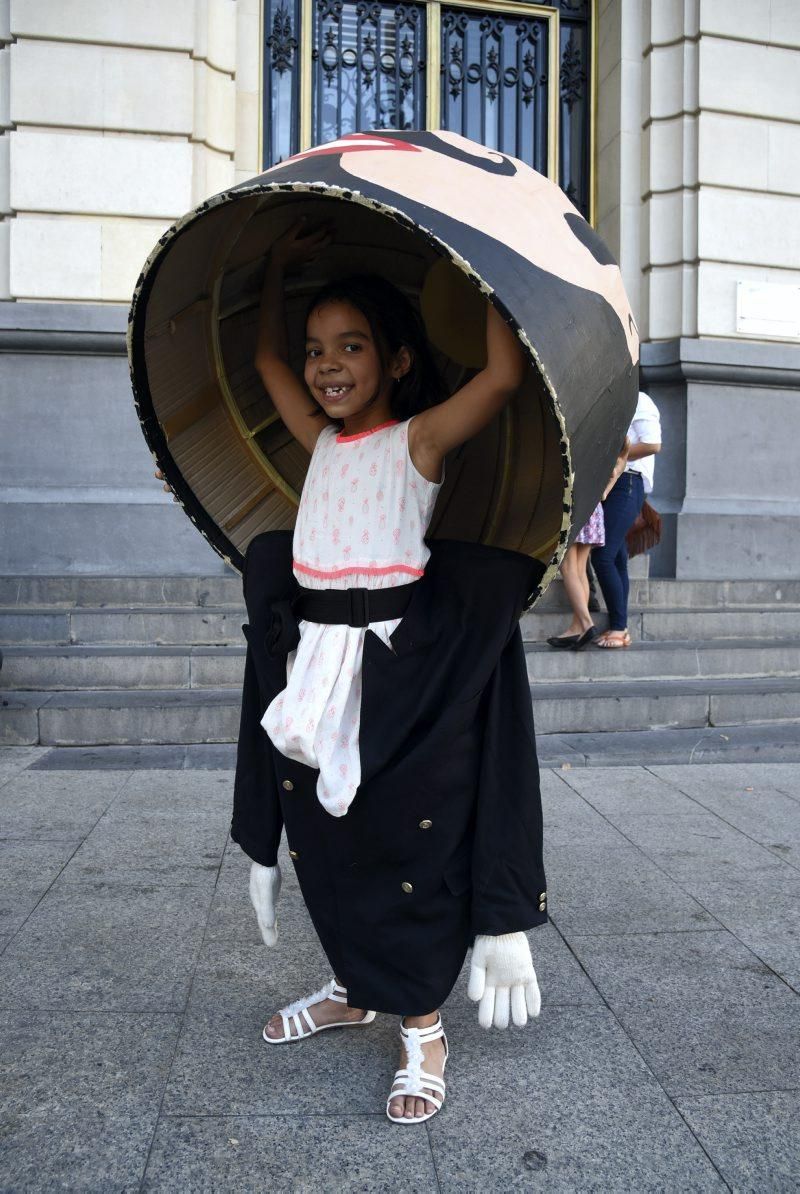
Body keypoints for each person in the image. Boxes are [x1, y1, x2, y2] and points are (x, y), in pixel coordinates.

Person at [232, 219, 547, 1126]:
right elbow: (265, 367)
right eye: (317, 349)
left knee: (401, 839)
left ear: (398, 360)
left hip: (398, 669)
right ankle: (352, 985)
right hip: (316, 658)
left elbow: (502, 378)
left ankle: (422, 1025)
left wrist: (485, 279)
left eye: (352, 347)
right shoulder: (320, 441)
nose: (327, 366)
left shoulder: (417, 442)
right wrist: (280, 277)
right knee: (327, 833)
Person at [592, 392, 661, 648]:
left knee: (604, 554)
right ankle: (619, 626)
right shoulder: (610, 399)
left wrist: (616, 455)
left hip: (628, 481)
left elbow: (653, 445)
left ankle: (619, 628)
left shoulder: (639, 400)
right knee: (617, 556)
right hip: (611, 481)